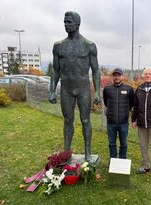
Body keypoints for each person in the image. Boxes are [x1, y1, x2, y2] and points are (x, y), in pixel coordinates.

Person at [49, 11, 100, 161]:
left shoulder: (89, 45)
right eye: (64, 22)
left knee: (85, 120)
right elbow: (56, 71)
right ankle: (66, 152)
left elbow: (96, 70)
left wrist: (97, 91)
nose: (65, 25)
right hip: (66, 89)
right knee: (67, 120)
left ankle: (88, 152)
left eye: (69, 22)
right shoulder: (58, 46)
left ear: (77, 24)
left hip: (83, 88)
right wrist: (52, 90)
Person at [103, 68, 134, 159]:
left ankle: (122, 160)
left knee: (123, 143)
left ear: (122, 77)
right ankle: (113, 160)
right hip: (111, 122)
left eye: (119, 75)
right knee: (112, 143)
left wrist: (125, 113)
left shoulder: (129, 89)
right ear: (113, 77)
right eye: (115, 75)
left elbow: (131, 103)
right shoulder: (107, 89)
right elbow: (106, 102)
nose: (117, 77)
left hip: (123, 122)